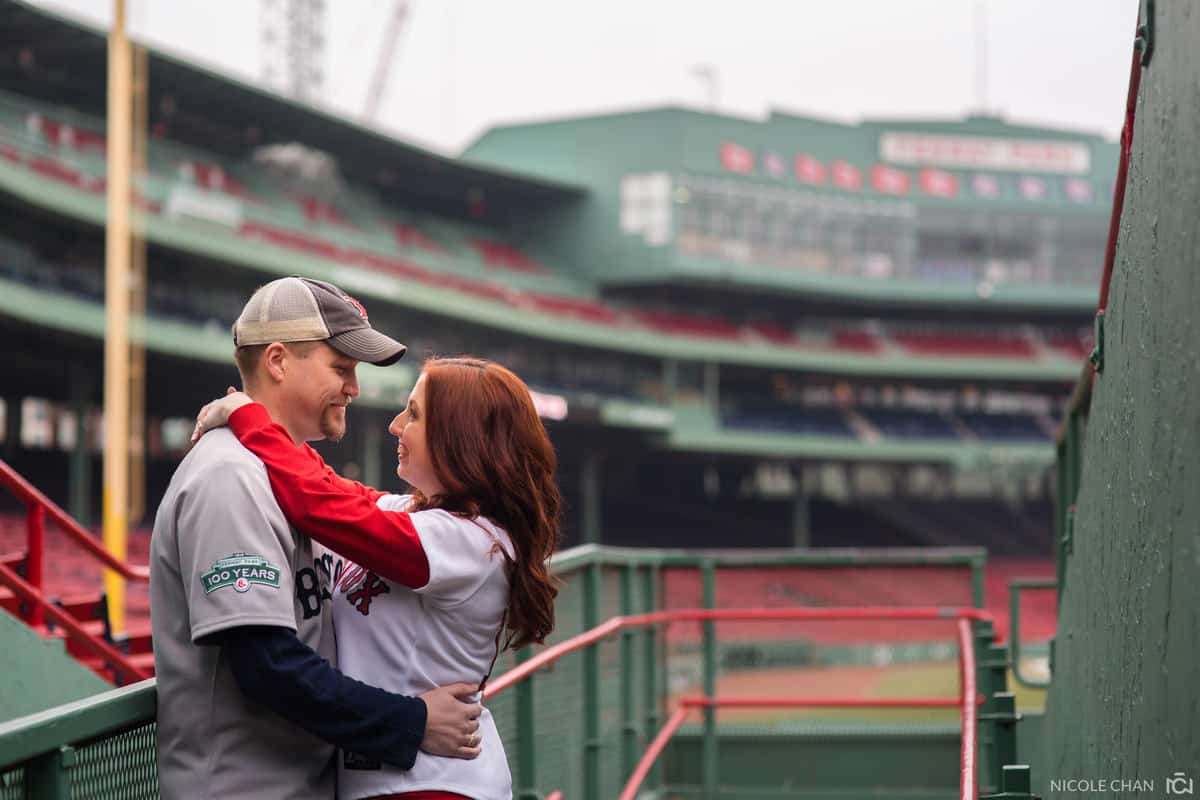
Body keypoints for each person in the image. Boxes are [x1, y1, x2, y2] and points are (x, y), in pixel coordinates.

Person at [150, 277, 483, 800]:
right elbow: (269, 667)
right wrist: (413, 720)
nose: (355, 388)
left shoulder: (281, 471)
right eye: (342, 369)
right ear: (279, 361)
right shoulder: (229, 476)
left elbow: (330, 495)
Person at [192, 355, 562, 800]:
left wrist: (249, 418)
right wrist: (266, 424)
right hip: (395, 777)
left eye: (415, 414)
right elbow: (326, 485)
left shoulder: (474, 542)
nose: (395, 424)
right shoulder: (417, 516)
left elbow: (318, 505)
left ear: (459, 437)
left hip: (436, 783)